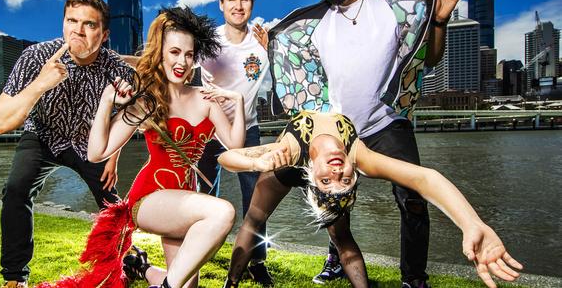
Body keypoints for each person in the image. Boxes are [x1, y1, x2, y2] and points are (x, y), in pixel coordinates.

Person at [262, 0, 479, 287]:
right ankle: (336, 257)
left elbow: (432, 59)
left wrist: (439, 20)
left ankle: (414, 279)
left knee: (413, 199)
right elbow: (300, 71)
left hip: (386, 122)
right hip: (340, 130)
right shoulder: (316, 26)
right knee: (334, 195)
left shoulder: (392, 7)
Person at [38, 7, 246, 288]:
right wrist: (106, 102)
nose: (182, 61)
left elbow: (235, 145)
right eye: (174, 52)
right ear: (160, 53)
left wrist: (238, 100)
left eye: (188, 54)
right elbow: (96, 153)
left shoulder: (206, 99)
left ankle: (143, 268)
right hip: (151, 198)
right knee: (222, 212)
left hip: (186, 200)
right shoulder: (148, 102)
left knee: (189, 284)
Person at [220, 110, 523, 288]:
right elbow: (424, 177)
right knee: (262, 221)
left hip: (288, 165)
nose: (338, 172)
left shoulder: (291, 149)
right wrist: (471, 223)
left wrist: (256, 161)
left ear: (314, 176)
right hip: (288, 167)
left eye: (329, 180)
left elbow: (227, 157)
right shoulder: (357, 155)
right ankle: (232, 282)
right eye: (346, 180)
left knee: (333, 234)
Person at [0, 0, 133, 288]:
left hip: (87, 143)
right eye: (72, 21)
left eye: (89, 24)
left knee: (114, 204)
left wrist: (113, 156)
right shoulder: (36, 57)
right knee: (16, 189)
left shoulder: (116, 68)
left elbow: (125, 115)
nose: (78, 31)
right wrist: (41, 83)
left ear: (104, 34)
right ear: (63, 23)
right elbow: (0, 122)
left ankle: (128, 261)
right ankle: (15, 277)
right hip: (41, 135)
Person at [195, 0, 273, 285]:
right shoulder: (207, 41)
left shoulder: (264, 41)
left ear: (252, 3)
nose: (238, 6)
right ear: (221, 3)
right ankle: (200, 252)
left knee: (256, 198)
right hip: (208, 131)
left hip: (248, 130)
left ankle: (257, 260)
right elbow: (170, 62)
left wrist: (274, 50)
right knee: (203, 195)